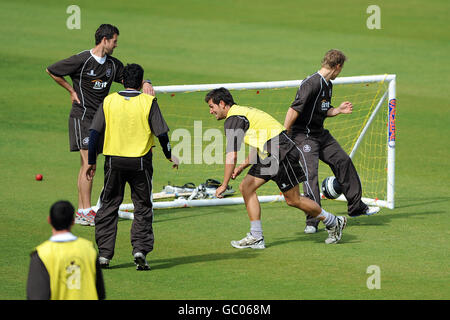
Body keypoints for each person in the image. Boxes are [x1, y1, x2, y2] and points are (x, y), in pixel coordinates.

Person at [205, 87, 347, 248]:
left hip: (281, 153)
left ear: (222, 103)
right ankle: (256, 236)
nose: (211, 111)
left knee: (293, 200)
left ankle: (334, 221)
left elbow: (231, 155)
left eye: (212, 106)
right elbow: (260, 140)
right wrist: (243, 166)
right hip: (271, 153)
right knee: (246, 187)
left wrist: (223, 185)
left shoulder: (233, 118)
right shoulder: (242, 112)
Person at [46, 24, 155, 227]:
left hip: (101, 120)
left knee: (88, 164)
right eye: (114, 41)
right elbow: (52, 70)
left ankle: (83, 211)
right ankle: (86, 211)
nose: (116, 45)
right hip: (82, 117)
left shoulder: (112, 65)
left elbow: (132, 79)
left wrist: (146, 82)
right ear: (105, 40)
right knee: (88, 164)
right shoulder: (82, 60)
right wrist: (70, 90)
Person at [86, 63, 178, 270]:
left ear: (123, 80)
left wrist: (91, 161)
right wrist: (169, 155)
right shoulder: (148, 101)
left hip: (113, 161)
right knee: (142, 206)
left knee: (108, 206)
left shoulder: (109, 100)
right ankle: (140, 250)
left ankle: (104, 256)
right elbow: (162, 134)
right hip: (140, 162)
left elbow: (94, 134)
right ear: (141, 81)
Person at [283, 49, 380, 234]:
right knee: (310, 174)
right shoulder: (310, 83)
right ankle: (312, 220)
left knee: (343, 160)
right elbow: (293, 110)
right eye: (341, 69)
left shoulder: (328, 85)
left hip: (320, 134)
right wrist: (285, 134)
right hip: (303, 135)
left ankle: (356, 206)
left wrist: (338, 110)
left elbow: (322, 110)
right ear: (337, 66)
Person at [26, 201, 105, 300]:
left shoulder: (41, 254)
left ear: (49, 220)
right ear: (73, 221)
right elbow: (100, 293)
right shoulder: (89, 249)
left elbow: (37, 296)